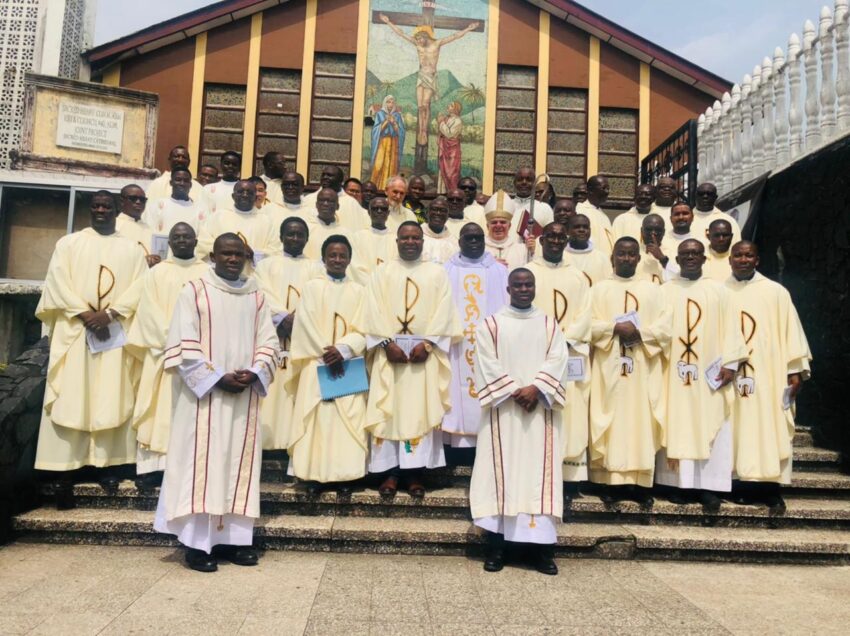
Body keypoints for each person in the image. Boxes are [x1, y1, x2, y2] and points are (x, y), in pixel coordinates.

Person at [154, 233, 280, 573]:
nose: (233, 260)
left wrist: (254, 372)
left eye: (238, 254)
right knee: (203, 465)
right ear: (213, 255)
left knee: (238, 464)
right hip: (204, 399)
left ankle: (235, 542)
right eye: (226, 253)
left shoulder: (256, 295)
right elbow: (183, 343)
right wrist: (217, 376)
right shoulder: (193, 291)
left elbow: (270, 342)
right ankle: (197, 546)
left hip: (243, 397)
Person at [34, 191, 147, 501]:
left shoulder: (131, 249)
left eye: (106, 206)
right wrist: (85, 314)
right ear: (89, 210)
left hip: (113, 333)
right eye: (96, 206)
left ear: (116, 210)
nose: (101, 210)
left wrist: (109, 314)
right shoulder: (69, 244)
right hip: (75, 332)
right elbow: (57, 281)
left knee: (112, 393)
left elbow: (141, 285)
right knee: (74, 394)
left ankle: (108, 466)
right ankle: (65, 469)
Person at [470, 268, 568, 575]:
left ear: (535, 287)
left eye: (529, 284)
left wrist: (536, 388)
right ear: (508, 289)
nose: (524, 289)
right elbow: (485, 360)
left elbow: (559, 359)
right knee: (502, 474)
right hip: (505, 412)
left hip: (539, 411)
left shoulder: (550, 325)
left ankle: (541, 552)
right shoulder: (491, 325)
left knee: (540, 476)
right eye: (518, 285)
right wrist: (515, 391)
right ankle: (497, 547)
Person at [363, 221, 461, 498]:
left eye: (415, 238)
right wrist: (385, 343)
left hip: (421, 358)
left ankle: (415, 472)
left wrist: (428, 344)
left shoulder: (436, 273)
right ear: (396, 242)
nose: (410, 242)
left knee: (418, 410)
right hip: (390, 355)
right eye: (404, 238)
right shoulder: (382, 272)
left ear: (422, 242)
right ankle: (390, 472)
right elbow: (371, 310)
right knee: (390, 410)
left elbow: (445, 311)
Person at [655, 240, 748, 511]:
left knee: (712, 423)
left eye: (696, 253)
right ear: (678, 258)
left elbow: (733, 329)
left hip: (711, 375)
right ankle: (677, 486)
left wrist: (731, 363)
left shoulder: (719, 292)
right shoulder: (664, 291)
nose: (691, 258)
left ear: (704, 258)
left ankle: (709, 487)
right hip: (673, 374)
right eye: (685, 254)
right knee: (677, 420)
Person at [726, 241, 811, 513]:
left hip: (769, 375)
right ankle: (737, 485)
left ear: (757, 260)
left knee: (767, 427)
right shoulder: (719, 291)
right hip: (731, 377)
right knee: (735, 428)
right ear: (729, 259)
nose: (743, 259)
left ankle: (769, 489)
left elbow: (791, 332)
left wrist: (794, 369)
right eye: (738, 255)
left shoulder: (776, 293)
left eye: (748, 255)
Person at [588, 237, 670, 503]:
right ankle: (609, 484)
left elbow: (666, 329)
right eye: (621, 254)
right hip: (607, 368)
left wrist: (640, 333)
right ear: (612, 257)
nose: (626, 259)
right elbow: (585, 325)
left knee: (640, 421)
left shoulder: (653, 291)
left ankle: (640, 486)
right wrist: (613, 328)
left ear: (638, 258)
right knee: (610, 418)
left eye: (631, 254)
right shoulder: (598, 290)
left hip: (642, 369)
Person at [126, 223, 208, 487]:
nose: (182, 241)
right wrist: (175, 342)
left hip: (200, 355)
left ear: (196, 240)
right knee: (158, 411)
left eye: (187, 236)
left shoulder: (209, 273)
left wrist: (193, 345)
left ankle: (192, 468)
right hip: (163, 353)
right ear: (169, 242)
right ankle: (154, 468)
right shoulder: (156, 272)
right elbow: (148, 310)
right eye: (177, 237)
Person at [287, 235, 368, 495]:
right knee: (318, 421)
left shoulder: (359, 291)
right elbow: (305, 324)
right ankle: (314, 477)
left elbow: (365, 326)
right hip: (317, 363)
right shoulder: (312, 287)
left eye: (342, 255)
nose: (337, 260)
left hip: (347, 365)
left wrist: (344, 349)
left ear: (349, 259)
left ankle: (345, 477)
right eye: (332, 255)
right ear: (323, 258)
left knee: (347, 422)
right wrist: (327, 352)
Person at [526, 222, 591, 496]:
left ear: (566, 241)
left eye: (559, 237)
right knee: (537, 412)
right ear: (541, 241)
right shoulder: (529, 272)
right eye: (549, 236)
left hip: (569, 354)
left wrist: (563, 340)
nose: (554, 241)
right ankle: (536, 472)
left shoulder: (577, 277)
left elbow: (586, 314)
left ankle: (568, 478)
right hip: (535, 354)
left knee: (570, 413)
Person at [253, 217, 321, 451]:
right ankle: (268, 443)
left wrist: (298, 319)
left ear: (306, 239)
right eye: (290, 234)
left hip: (302, 341)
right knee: (272, 395)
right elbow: (261, 292)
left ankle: (295, 444)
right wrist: (282, 317)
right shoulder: (265, 266)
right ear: (281, 237)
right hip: (273, 336)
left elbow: (319, 298)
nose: (294, 238)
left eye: (299, 234)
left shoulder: (316, 267)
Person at [379, 14, 479, 172]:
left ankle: (424, 132)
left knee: (425, 104)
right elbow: (401, 34)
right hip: (420, 76)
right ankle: (421, 131)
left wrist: (468, 28)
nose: (418, 41)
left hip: (431, 77)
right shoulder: (417, 44)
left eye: (420, 38)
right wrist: (388, 21)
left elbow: (454, 36)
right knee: (419, 107)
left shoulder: (437, 44)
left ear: (426, 36)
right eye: (417, 39)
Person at [443, 223, 508, 451]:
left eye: (478, 238)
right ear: (459, 241)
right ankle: (454, 452)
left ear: (484, 241)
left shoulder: (499, 272)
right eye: (468, 238)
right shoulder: (445, 271)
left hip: (489, 349)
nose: (473, 242)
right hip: (455, 350)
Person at [197, 180, 280, 274]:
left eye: (249, 192)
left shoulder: (266, 221)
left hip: (254, 278)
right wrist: (228, 251)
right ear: (233, 196)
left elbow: (276, 250)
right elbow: (203, 244)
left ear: (255, 197)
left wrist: (254, 254)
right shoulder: (218, 217)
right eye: (240, 192)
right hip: (223, 277)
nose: (245, 195)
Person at [144, 167, 209, 234]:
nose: (182, 183)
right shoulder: (157, 206)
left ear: (190, 185)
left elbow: (203, 236)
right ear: (171, 183)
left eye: (186, 180)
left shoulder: (200, 211)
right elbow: (148, 230)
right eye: (178, 180)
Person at [304, 166, 369, 232]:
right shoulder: (309, 199)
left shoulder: (352, 203)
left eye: (329, 175)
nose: (325, 177)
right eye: (323, 175)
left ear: (340, 180)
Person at [350, 196, 396, 278]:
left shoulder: (395, 239)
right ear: (369, 212)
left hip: (388, 286)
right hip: (364, 287)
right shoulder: (358, 237)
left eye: (383, 209)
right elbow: (355, 266)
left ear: (388, 213)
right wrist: (371, 284)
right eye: (375, 208)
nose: (379, 211)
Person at [303, 188, 354, 262]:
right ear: (316, 205)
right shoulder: (305, 230)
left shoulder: (346, 234)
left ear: (337, 206)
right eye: (322, 200)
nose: (325, 204)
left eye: (330, 201)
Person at [117, 184, 159, 267]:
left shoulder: (150, 229)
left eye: (142, 200)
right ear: (121, 201)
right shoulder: (114, 226)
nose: (138, 202)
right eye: (133, 198)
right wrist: (142, 262)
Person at [483, 191, 527, 271]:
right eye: (494, 222)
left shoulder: (521, 249)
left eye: (503, 222)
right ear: (487, 226)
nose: (498, 225)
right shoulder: (479, 249)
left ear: (509, 226)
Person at [564, 214, 611, 286]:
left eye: (585, 227)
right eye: (577, 227)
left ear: (590, 230)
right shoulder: (561, 256)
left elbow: (608, 286)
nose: (582, 230)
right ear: (567, 231)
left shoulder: (601, 258)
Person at [369, 95, 405, 188]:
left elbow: (401, 131)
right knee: (379, 164)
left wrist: (393, 122)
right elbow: (376, 130)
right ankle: (377, 185)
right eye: (389, 102)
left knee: (392, 166)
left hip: (394, 143)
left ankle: (389, 187)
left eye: (392, 102)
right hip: (383, 143)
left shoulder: (397, 115)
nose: (391, 104)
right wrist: (385, 121)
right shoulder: (380, 114)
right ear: (385, 103)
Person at [511, 168, 553, 248]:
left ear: (535, 183)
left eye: (529, 180)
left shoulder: (544, 208)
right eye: (520, 179)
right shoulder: (506, 205)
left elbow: (549, 237)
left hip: (534, 255)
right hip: (510, 255)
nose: (524, 182)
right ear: (514, 183)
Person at [660, 202, 702, 279]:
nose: (681, 217)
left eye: (685, 213)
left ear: (692, 217)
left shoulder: (702, 241)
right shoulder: (661, 241)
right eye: (677, 214)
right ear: (670, 218)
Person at [576, 175, 614, 255]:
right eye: (603, 188)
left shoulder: (604, 216)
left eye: (608, 188)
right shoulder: (580, 212)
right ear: (590, 190)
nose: (607, 192)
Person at [421, 196, 457, 264]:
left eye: (443, 211)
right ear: (427, 213)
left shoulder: (454, 242)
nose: (438, 213)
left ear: (448, 216)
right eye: (434, 209)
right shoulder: (417, 237)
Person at [438, 101, 463, 192]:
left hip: (452, 150)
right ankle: (441, 191)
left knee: (451, 172)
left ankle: (452, 192)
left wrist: (441, 123)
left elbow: (449, 134)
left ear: (455, 109)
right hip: (445, 148)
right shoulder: (448, 119)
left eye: (451, 105)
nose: (448, 106)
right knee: (443, 169)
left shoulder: (458, 121)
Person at [635, 214, 667, 284]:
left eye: (658, 230)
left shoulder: (672, 252)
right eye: (648, 230)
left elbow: (676, 279)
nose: (653, 234)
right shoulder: (633, 253)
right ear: (641, 230)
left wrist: (662, 258)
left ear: (664, 232)